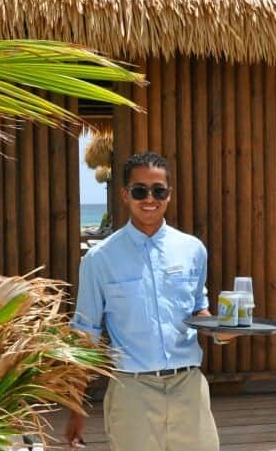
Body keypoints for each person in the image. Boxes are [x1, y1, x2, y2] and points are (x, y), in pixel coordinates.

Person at [66, 152, 235, 451]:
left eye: (158, 190)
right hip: (132, 391)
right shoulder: (99, 259)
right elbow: (85, 338)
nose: (149, 198)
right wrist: (76, 411)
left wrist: (223, 332)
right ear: (125, 194)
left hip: (189, 388)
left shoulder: (193, 250)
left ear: (168, 194)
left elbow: (199, 309)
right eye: (140, 190)